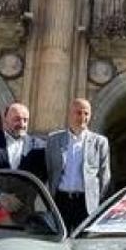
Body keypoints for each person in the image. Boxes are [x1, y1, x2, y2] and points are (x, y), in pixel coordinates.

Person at [46, 98, 111, 231]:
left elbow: (104, 175)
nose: (82, 117)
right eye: (78, 113)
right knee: (59, 237)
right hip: (60, 200)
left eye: (86, 113)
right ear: (69, 114)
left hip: (86, 203)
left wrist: (96, 198)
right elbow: (49, 169)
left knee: (83, 238)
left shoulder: (100, 142)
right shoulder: (53, 140)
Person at [0, 102, 47, 184]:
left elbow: (44, 177)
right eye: (17, 119)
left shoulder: (40, 146)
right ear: (5, 120)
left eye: (25, 120)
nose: (22, 124)